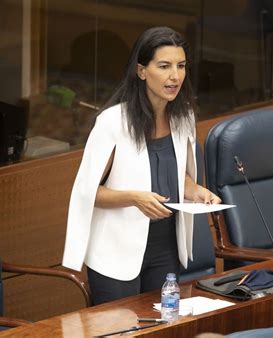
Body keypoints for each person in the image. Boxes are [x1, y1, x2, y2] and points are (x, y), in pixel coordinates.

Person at [62, 26, 221, 305]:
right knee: (120, 330)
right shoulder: (113, 122)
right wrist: (134, 198)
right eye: (164, 66)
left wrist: (195, 190)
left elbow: (174, 172)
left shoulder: (183, 117)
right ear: (141, 71)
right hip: (116, 251)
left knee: (163, 325)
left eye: (181, 66)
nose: (175, 76)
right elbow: (88, 193)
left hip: (165, 246)